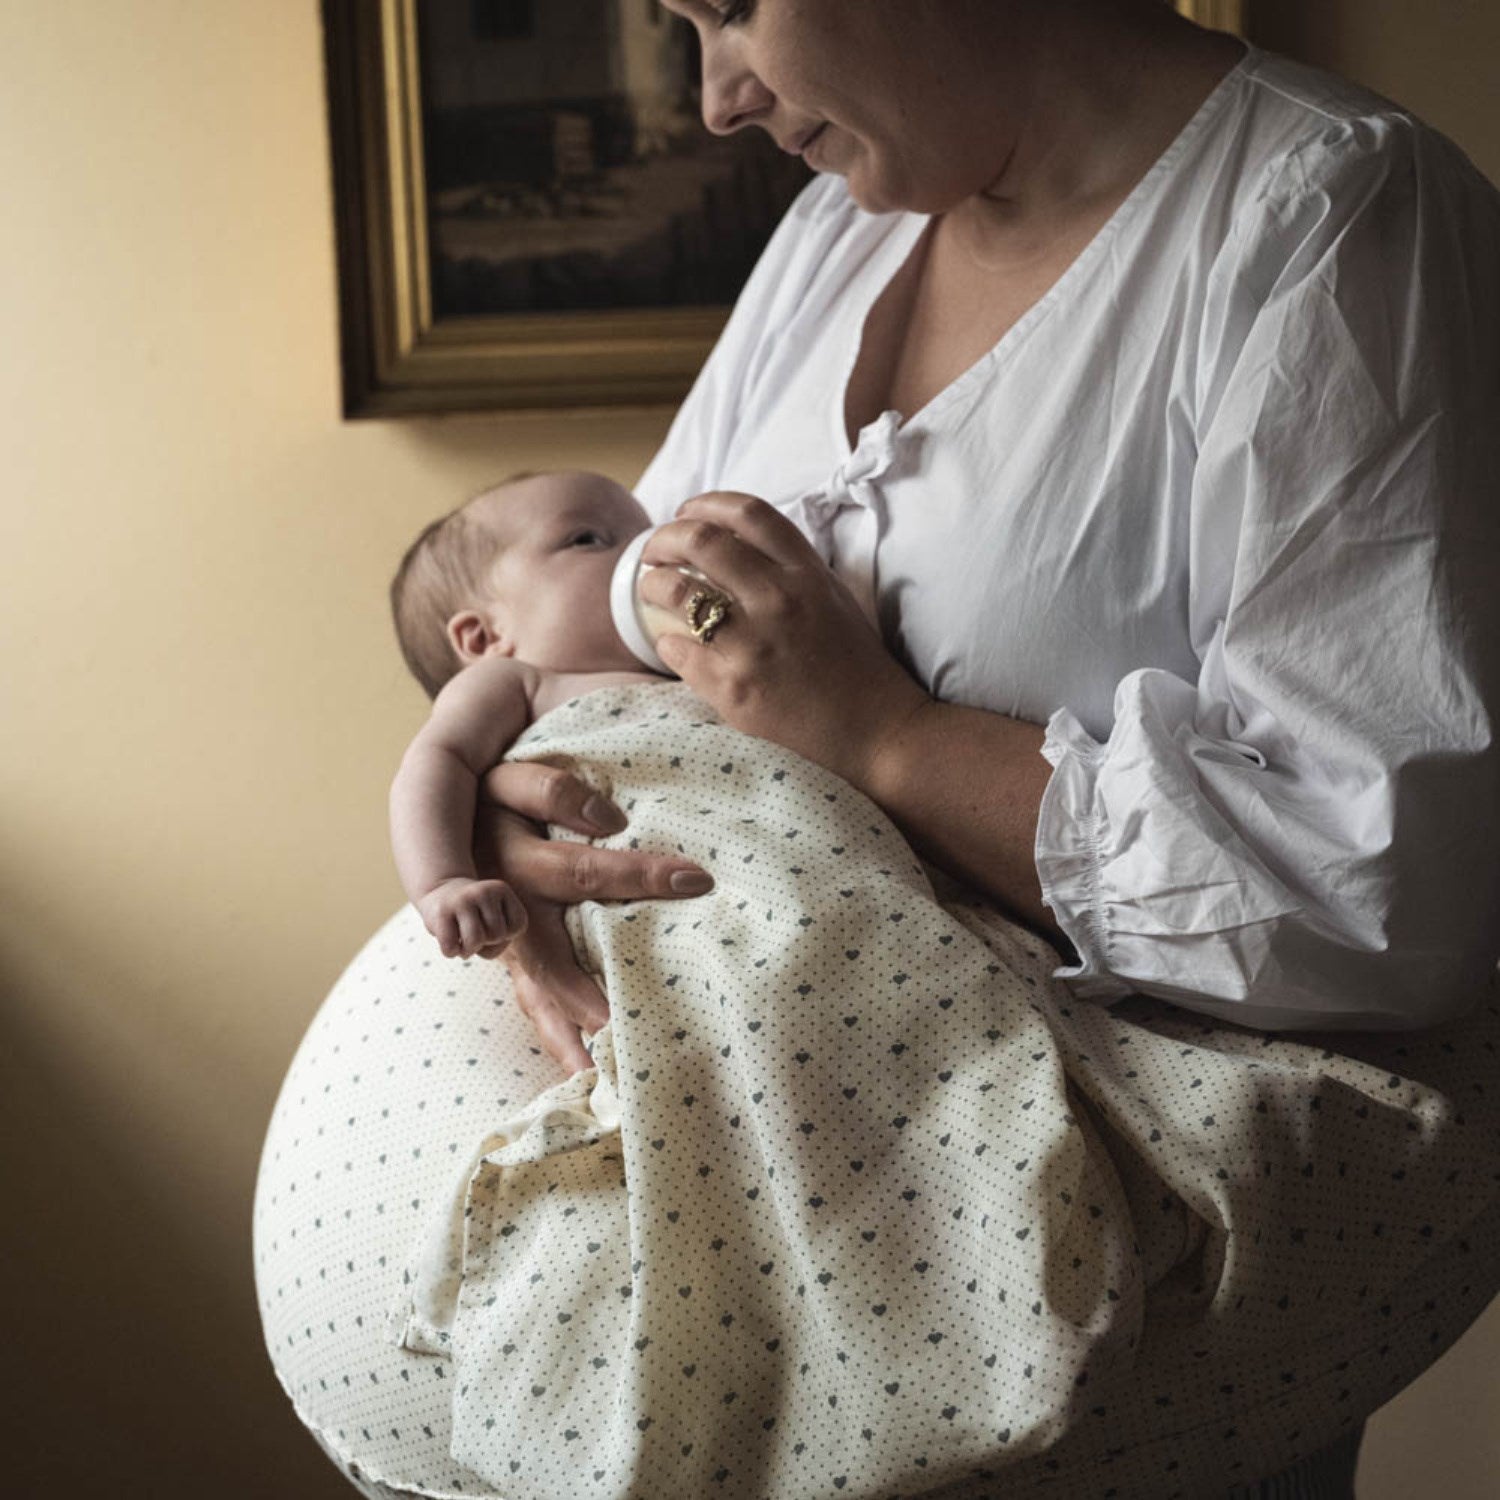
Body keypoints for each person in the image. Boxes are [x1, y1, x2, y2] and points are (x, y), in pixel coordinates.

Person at [257, 3, 1500, 1495]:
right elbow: (628, 634)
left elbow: (1379, 897)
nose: (713, 100)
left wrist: (886, 737)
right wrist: (523, 828)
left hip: (1053, 1317)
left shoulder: (1331, 217)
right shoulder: (836, 232)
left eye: (730, 7)